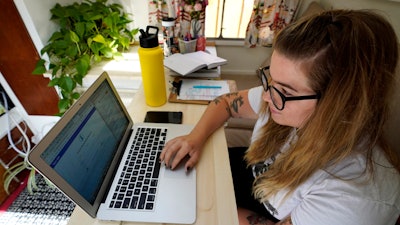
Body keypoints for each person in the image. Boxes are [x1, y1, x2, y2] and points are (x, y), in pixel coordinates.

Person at [160, 9, 400, 225]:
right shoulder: (280, 101)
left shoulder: (351, 198)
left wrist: (209, 209)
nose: (266, 97)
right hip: (252, 180)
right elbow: (225, 102)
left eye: (285, 91)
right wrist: (194, 137)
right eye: (271, 78)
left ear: (340, 103)